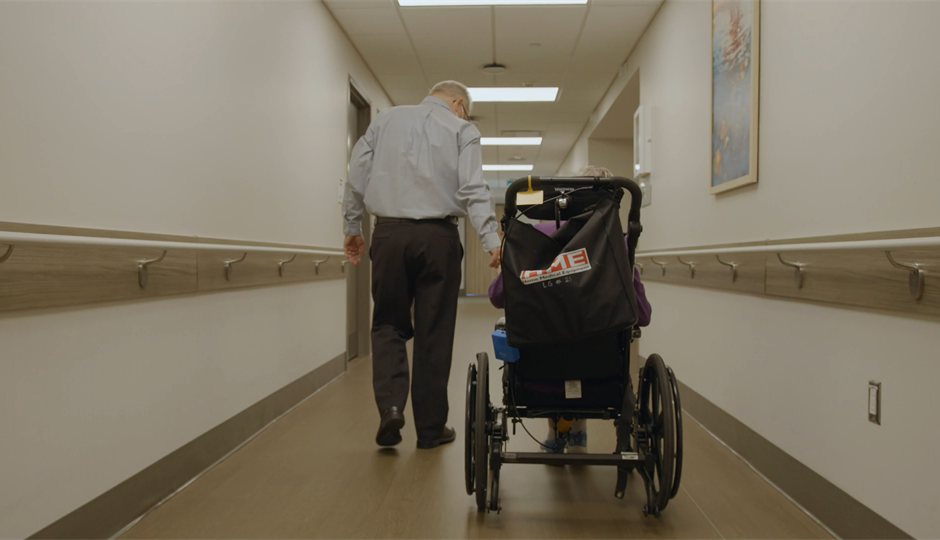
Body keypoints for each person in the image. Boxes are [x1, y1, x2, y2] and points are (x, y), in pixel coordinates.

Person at [344, 81, 502, 449]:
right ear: (458, 103)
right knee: (435, 332)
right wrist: (491, 239)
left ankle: (391, 408)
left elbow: (356, 175)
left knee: (388, 324)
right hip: (438, 238)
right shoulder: (462, 129)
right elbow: (473, 188)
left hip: (389, 235)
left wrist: (352, 226)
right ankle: (430, 429)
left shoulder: (385, 121)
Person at [487, 165, 651, 454]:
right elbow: (643, 316)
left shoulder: (531, 238)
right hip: (602, 379)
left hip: (536, 381)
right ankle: (577, 433)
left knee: (545, 326)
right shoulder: (618, 246)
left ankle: (557, 433)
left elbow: (497, 296)